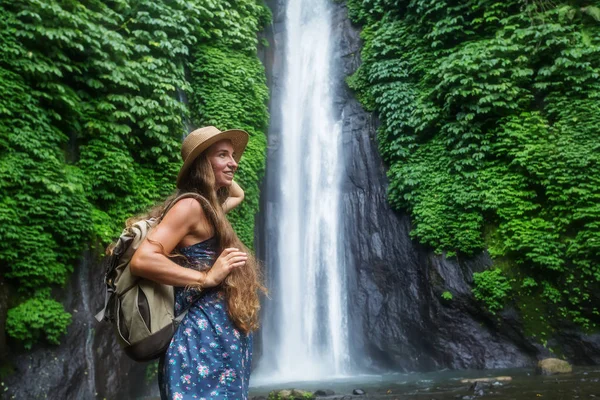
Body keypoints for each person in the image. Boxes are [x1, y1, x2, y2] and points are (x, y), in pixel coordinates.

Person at [129, 126, 264, 400]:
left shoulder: (209, 208)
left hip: (220, 341)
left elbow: (237, 195)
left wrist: (219, 167)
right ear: (203, 162)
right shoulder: (190, 207)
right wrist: (207, 278)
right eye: (223, 155)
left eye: (234, 155)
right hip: (200, 343)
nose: (234, 162)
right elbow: (142, 259)